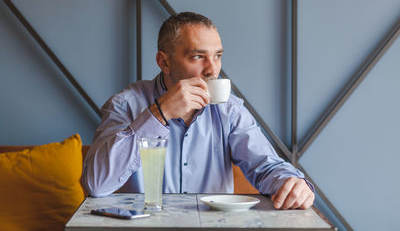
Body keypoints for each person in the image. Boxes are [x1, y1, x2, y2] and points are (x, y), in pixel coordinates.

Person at [82, 12, 315, 210]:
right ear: (164, 62)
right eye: (198, 56)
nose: (212, 69)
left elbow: (267, 168)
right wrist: (158, 114)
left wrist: (292, 183)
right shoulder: (126, 105)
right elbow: (96, 184)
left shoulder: (229, 111)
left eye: (217, 56)